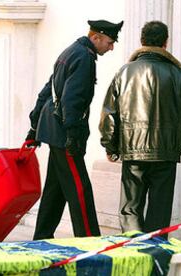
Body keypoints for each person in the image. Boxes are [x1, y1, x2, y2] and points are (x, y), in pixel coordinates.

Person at [99, 21, 181, 235]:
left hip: (132, 151)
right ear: (165, 43)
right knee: (160, 210)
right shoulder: (177, 75)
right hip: (165, 152)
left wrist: (110, 146)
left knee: (130, 209)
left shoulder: (124, 73)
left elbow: (110, 114)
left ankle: (132, 254)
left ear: (142, 42)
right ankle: (155, 257)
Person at [25, 19, 123, 239]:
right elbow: (73, 100)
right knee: (80, 189)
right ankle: (90, 241)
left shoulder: (70, 51)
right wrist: (73, 134)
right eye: (109, 41)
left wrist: (34, 127)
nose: (111, 47)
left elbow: (47, 90)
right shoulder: (85, 58)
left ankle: (41, 238)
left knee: (55, 190)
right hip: (63, 133)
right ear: (95, 37)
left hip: (52, 129)